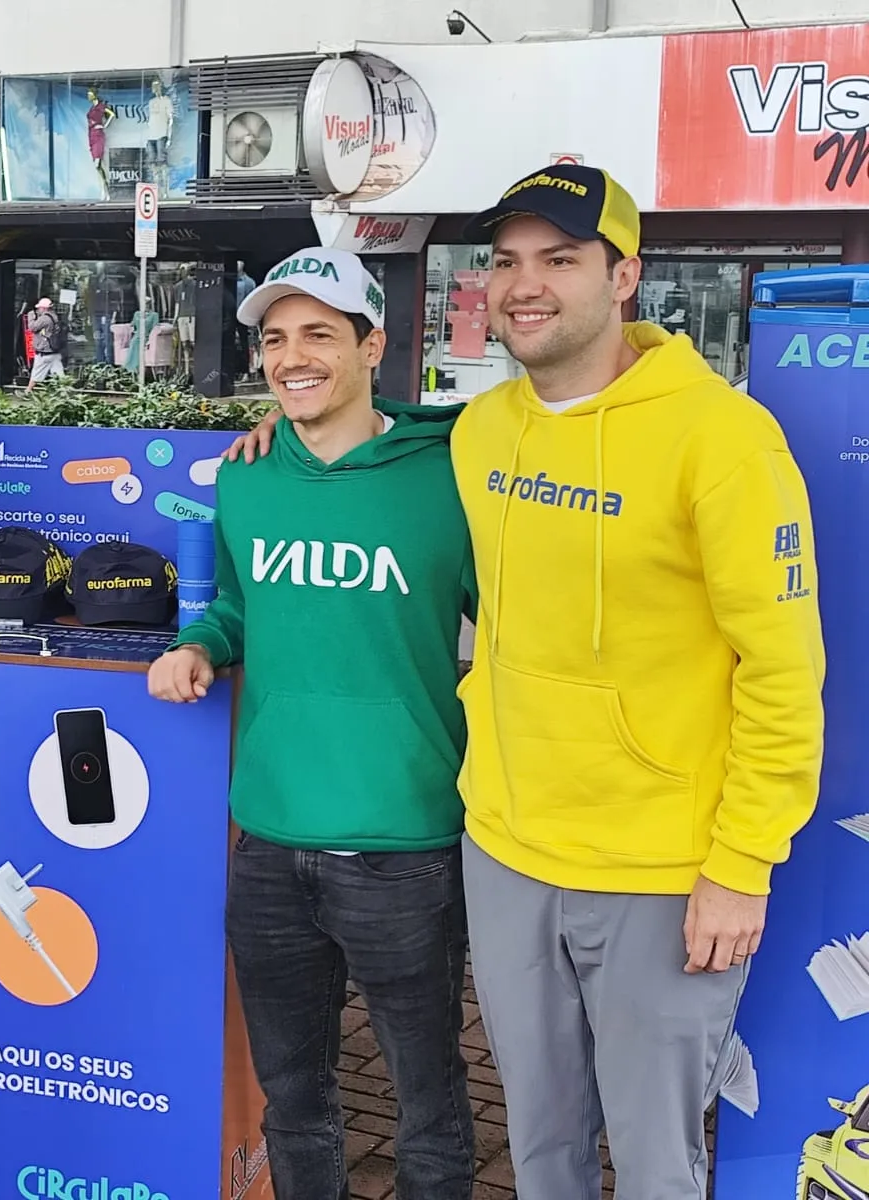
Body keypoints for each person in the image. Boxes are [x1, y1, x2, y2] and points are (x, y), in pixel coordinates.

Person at [226, 165, 826, 1199]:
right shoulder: (484, 428)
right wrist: (288, 431)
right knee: (540, 1148)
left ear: (623, 275)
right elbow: (373, 437)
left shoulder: (722, 438)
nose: (524, 284)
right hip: (503, 850)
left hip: (657, 867)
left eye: (559, 258)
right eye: (505, 261)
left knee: (654, 1160)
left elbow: (781, 671)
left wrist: (742, 861)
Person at [150, 247, 476, 1200]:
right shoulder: (246, 477)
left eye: (320, 335)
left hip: (406, 846)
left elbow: (515, 632)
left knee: (428, 1105)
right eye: (276, 338)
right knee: (293, 1100)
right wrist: (203, 644)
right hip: (269, 842)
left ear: (373, 346)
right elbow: (241, 606)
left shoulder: (453, 478)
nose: (292, 357)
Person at [26, 297, 64, 388]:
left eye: (39, 308)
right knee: (60, 376)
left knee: (36, 374)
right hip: (54, 351)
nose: (38, 310)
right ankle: (66, 391)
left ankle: (27, 391)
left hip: (45, 351)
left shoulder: (45, 319)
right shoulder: (54, 316)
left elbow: (32, 327)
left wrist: (31, 316)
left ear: (44, 308)